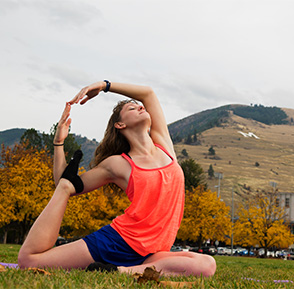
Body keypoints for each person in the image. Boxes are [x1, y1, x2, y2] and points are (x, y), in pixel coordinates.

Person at [18, 81, 216, 277]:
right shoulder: (117, 164)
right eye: (132, 107)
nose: (140, 106)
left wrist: (104, 85)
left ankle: (118, 271)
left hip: (150, 253)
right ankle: (124, 269)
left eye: (139, 105)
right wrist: (59, 142)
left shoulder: (165, 146)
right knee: (29, 261)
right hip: (117, 243)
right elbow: (66, 184)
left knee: (207, 265)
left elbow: (148, 94)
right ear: (120, 124)